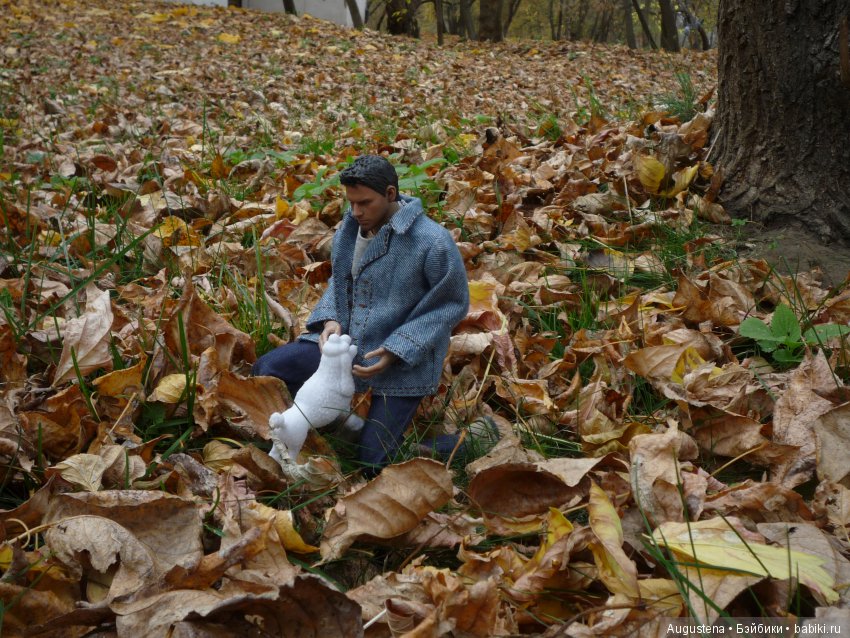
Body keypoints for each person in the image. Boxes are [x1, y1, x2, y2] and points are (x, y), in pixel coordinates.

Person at [253, 154, 472, 476]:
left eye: (365, 203)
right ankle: (331, 420)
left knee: (373, 462)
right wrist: (330, 319)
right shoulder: (350, 228)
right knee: (268, 370)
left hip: (400, 362)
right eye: (352, 202)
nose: (356, 211)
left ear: (390, 194)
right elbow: (341, 280)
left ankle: (462, 442)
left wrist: (399, 348)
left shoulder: (432, 242)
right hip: (344, 345)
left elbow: (451, 303)